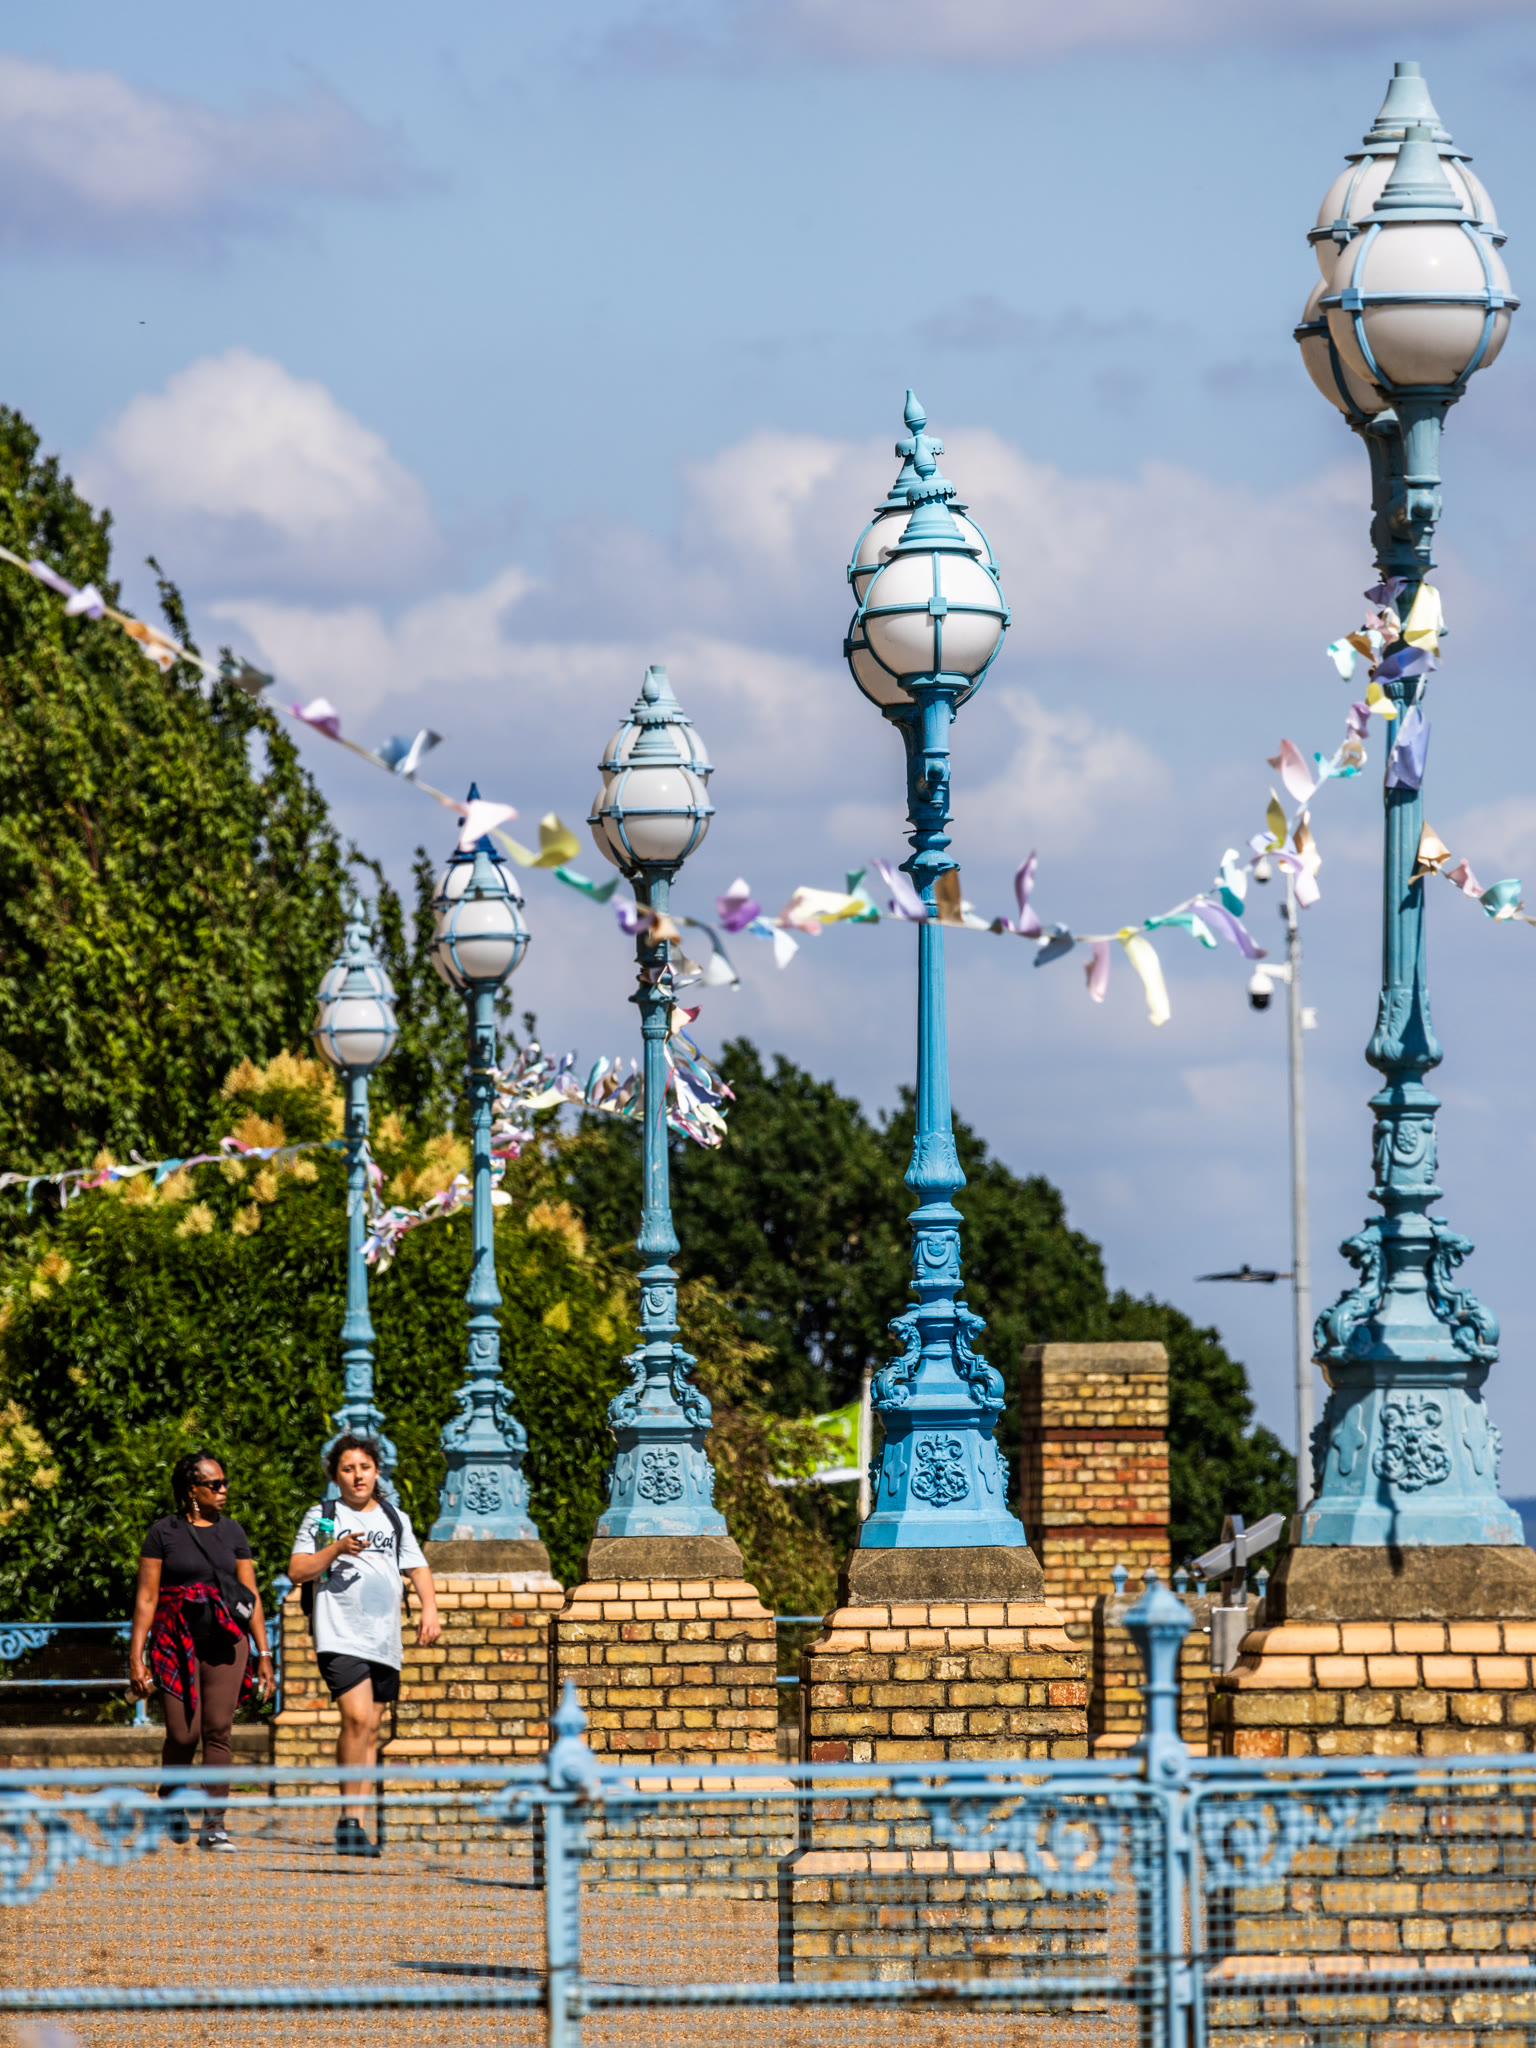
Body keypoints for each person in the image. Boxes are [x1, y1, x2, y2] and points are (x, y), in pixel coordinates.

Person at [288, 1433, 440, 1858]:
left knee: (371, 1728)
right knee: (355, 1718)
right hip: (339, 1632)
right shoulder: (323, 1515)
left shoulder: (394, 1517)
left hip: (384, 1637)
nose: (358, 1476)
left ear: (376, 1472)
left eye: (365, 1468)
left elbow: (417, 1567)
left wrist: (430, 1610)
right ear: (336, 1476)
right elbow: (298, 1570)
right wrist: (336, 1547)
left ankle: (356, 1821)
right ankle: (348, 1819)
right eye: (348, 1469)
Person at [129, 1449, 274, 1850]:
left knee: (218, 1730)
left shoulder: (234, 1532)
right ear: (192, 1490)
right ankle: (171, 1799)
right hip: (176, 1639)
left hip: (226, 1640)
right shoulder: (163, 1533)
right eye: (215, 1484)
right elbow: (146, 1597)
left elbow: (250, 1595)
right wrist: (136, 1656)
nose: (224, 1489)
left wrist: (264, 1654)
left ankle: (214, 1825)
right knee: (182, 1733)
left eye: (225, 1483)